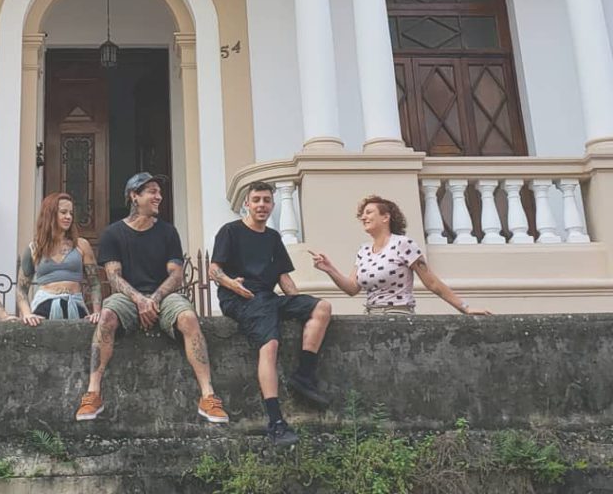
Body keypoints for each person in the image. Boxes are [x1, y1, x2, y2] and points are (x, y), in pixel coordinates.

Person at [74, 172, 229, 424]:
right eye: (152, 192)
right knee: (107, 316)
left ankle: (208, 396)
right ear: (134, 196)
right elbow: (113, 277)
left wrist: (153, 299)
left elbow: (176, 275)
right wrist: (139, 300)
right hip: (127, 297)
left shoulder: (168, 232)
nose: (159, 197)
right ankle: (93, 393)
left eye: (159, 192)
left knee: (189, 318)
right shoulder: (113, 233)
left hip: (163, 296)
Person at [210, 181, 332, 447]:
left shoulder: (273, 237)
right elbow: (214, 270)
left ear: (273, 205)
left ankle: (304, 375)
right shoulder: (230, 231)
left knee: (322, 307)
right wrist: (232, 284)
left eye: (266, 200)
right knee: (270, 343)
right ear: (247, 203)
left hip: (267, 298)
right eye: (256, 200)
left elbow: (283, 277)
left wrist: (298, 302)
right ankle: (276, 422)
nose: (261, 205)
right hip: (240, 298)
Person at [310, 194, 493, 318]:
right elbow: (352, 288)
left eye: (369, 212)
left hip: (398, 316)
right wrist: (330, 269)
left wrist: (465, 308)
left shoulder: (403, 244)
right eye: (362, 214)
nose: (363, 218)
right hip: (371, 316)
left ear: (385, 217)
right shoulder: (363, 250)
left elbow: (432, 282)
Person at [16, 192, 103, 324]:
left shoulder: (81, 245)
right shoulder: (34, 248)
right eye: (63, 212)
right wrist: (27, 314)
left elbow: (95, 283)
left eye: (71, 213)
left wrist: (97, 312)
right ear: (50, 214)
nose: (68, 217)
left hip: (75, 304)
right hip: (43, 306)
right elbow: (21, 289)